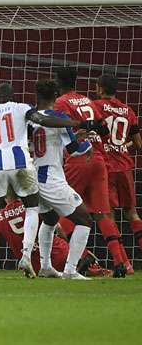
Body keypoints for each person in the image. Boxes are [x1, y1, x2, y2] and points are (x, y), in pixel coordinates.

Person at [0, 82, 89, 280]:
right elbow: (60, 137)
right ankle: (61, 267)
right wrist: (80, 129)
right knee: (78, 218)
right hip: (37, 172)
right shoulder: (25, 110)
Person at [54, 67, 128, 277]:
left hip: (79, 158)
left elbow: (66, 132)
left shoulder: (61, 102)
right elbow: (104, 130)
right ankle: (121, 264)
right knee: (102, 214)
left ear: (58, 82)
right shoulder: (86, 100)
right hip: (98, 159)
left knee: (63, 209)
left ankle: (84, 255)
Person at [28, 79, 97, 280]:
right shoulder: (60, 117)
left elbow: (52, 141)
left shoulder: (31, 117)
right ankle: (70, 270)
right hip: (51, 177)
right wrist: (86, 144)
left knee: (50, 220)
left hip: (34, 175)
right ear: (56, 97)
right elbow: (74, 150)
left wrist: (76, 135)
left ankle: (46, 267)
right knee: (84, 219)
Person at [0, 187, 111, 278]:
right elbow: (58, 228)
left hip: (35, 266)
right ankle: (85, 266)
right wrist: (75, 250)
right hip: (60, 253)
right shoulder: (32, 206)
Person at [94, 74, 142, 274]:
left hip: (106, 167)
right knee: (132, 213)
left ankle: (124, 264)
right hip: (125, 167)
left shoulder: (95, 106)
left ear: (101, 88)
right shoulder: (128, 111)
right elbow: (139, 144)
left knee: (108, 215)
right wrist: (122, 146)